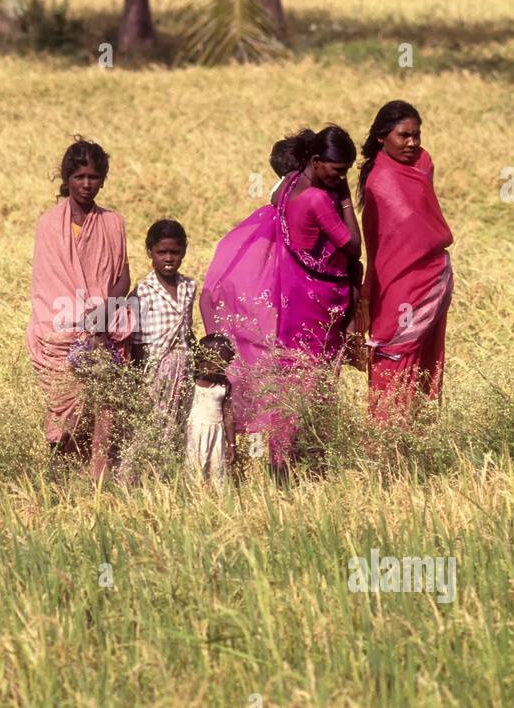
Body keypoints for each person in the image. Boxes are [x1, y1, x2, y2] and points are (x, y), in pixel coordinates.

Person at [200, 125, 362, 478]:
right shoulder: (319, 199)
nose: (341, 177)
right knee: (311, 383)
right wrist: (346, 199)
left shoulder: (289, 188)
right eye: (338, 171)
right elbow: (353, 246)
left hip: (293, 304)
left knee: (292, 383)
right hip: (315, 302)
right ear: (316, 161)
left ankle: (284, 465)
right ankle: (295, 468)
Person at [26, 138, 131, 482]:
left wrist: (101, 318)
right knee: (62, 417)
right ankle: (57, 483)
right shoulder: (47, 224)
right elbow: (47, 285)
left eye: (94, 177)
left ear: (103, 179)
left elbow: (122, 275)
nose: (87, 184)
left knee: (103, 414)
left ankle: (97, 485)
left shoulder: (113, 222)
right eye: (80, 176)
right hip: (60, 332)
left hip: (106, 331)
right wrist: (77, 327)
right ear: (67, 178)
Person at [355, 101, 454, 424]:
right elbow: (382, 242)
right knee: (392, 350)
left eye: (417, 135)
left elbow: (422, 219)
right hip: (396, 281)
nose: (413, 143)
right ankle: (386, 434)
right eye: (404, 136)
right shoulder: (379, 182)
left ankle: (420, 433)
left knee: (427, 355)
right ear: (382, 137)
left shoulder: (422, 162)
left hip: (432, 277)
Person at [129, 219, 196, 456]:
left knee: (181, 420)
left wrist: (199, 361)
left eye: (175, 252)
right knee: (155, 422)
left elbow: (188, 327)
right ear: (150, 252)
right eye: (162, 252)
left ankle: (174, 471)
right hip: (155, 369)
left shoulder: (189, 286)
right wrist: (138, 380)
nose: (169, 258)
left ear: (184, 252)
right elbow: (136, 341)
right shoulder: (142, 290)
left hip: (185, 365)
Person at [186, 334, 236, 488]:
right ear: (202, 361)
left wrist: (232, 445)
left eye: (224, 366)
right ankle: (192, 496)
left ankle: (216, 500)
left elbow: (228, 416)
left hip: (217, 434)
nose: (222, 369)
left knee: (216, 469)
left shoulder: (224, 386)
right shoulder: (191, 382)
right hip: (194, 432)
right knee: (193, 467)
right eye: (218, 365)